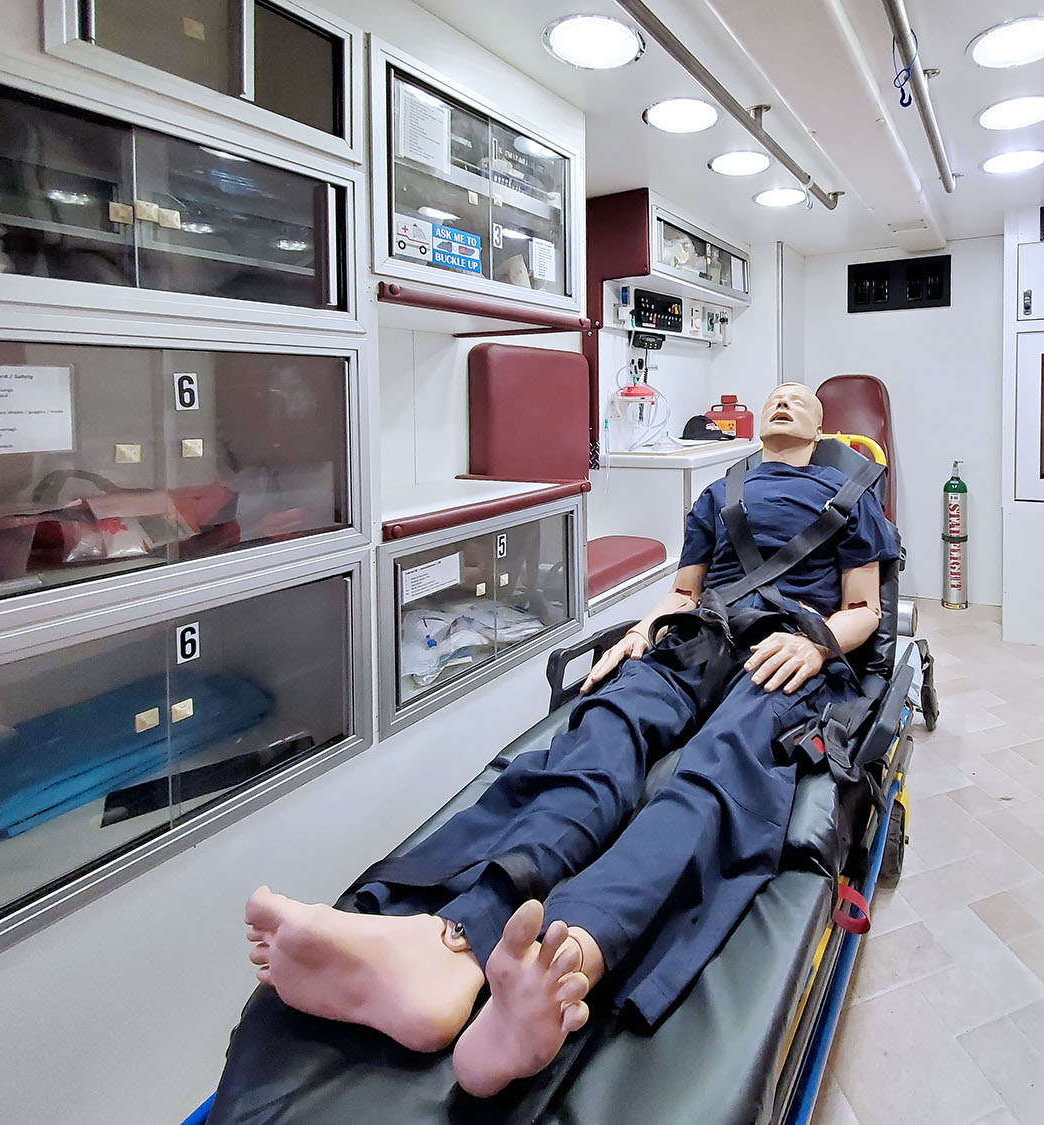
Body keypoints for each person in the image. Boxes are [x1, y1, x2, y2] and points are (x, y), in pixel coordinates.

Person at [242, 383, 899, 1097]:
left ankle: (566, 961)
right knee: (604, 733)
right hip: (700, 634)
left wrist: (820, 642)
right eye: (775, 393)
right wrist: (643, 632)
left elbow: (864, 606)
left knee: (717, 770)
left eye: (798, 397)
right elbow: (684, 591)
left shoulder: (849, 489)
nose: (783, 401)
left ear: (820, 424)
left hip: (785, 650)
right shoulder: (722, 491)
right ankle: (453, 946)